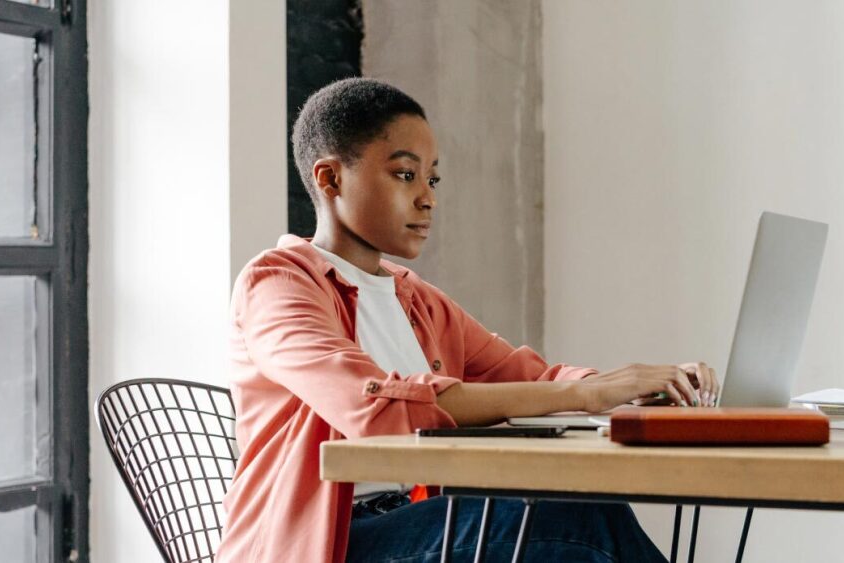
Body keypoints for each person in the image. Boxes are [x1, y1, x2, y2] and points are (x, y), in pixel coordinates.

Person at [215, 77, 719, 563]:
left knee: (581, 515)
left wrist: (623, 388)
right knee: (573, 522)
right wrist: (584, 395)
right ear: (330, 178)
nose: (428, 197)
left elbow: (534, 378)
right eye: (405, 174)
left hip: (415, 520)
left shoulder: (416, 301)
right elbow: (373, 409)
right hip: (325, 542)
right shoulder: (278, 284)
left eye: (432, 178)